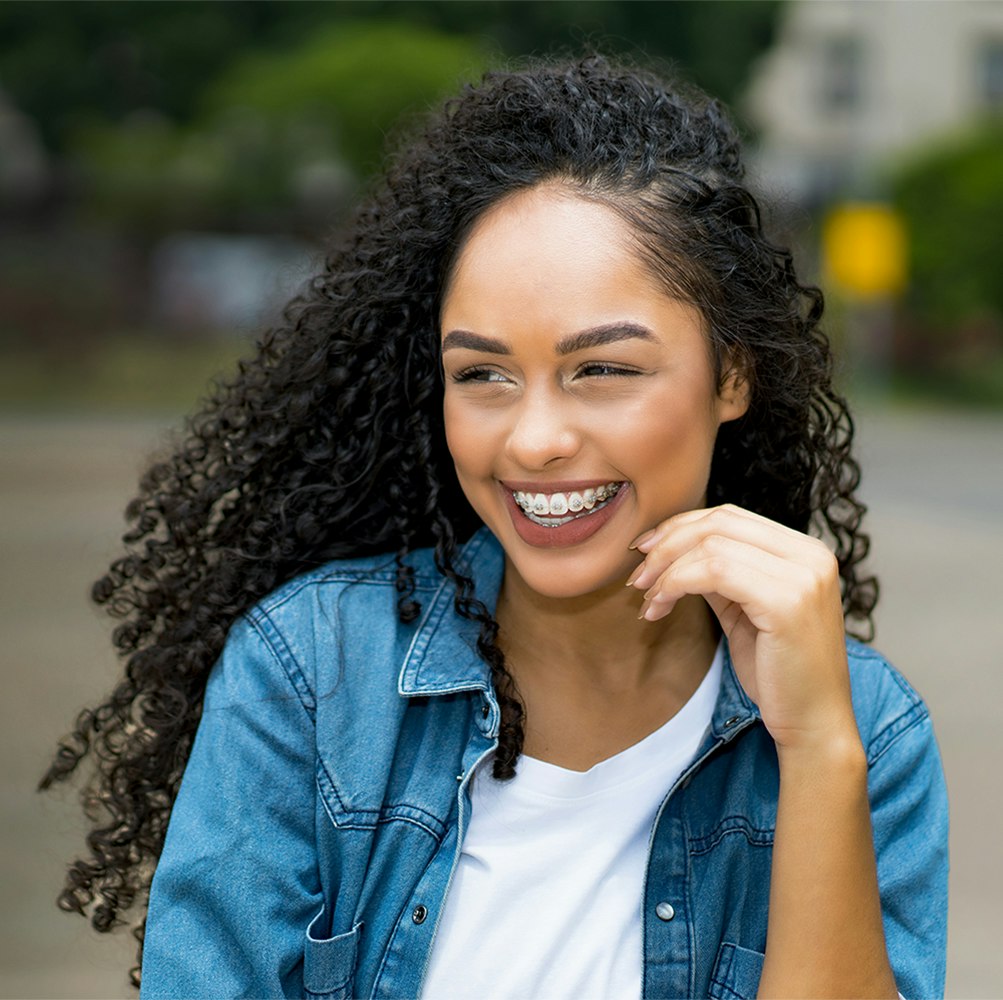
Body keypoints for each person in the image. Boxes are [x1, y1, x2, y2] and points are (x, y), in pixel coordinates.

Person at [43, 56, 948, 999]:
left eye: (601, 370)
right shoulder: (311, 675)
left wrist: (817, 752)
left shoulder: (867, 734)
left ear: (732, 376)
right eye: (481, 375)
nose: (536, 439)